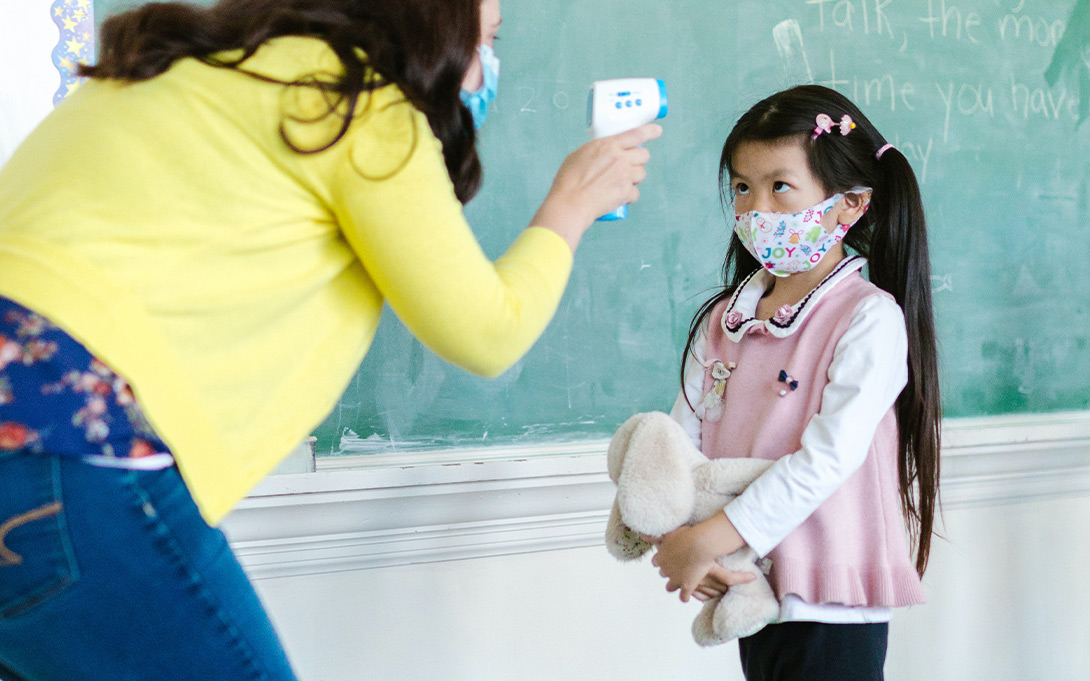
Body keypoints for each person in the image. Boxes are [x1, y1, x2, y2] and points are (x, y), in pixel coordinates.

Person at [0, 0, 661, 679]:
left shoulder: (163, 64)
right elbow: (489, 332)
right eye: (484, 40)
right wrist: (571, 205)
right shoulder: (355, 103)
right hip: (63, 440)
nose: (484, 70)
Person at [649, 85, 941, 681]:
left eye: (780, 186)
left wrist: (710, 536)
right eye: (741, 187)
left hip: (829, 597)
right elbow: (682, 439)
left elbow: (828, 459)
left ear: (849, 205)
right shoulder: (723, 320)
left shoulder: (867, 317)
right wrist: (684, 536)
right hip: (748, 583)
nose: (758, 209)